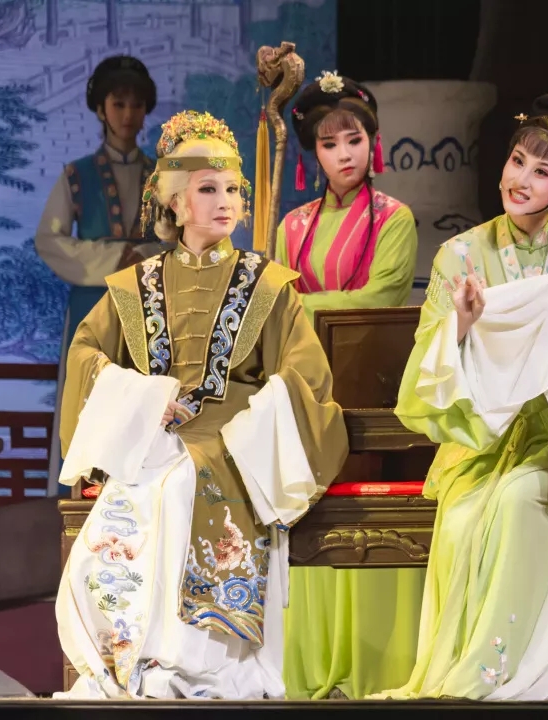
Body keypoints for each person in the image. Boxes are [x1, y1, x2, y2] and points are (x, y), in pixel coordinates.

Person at [53, 110, 348, 699]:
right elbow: (85, 352)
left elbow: (304, 374)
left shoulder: (267, 285)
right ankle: (131, 658)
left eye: (233, 190)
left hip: (234, 438)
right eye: (208, 189)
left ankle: (196, 664)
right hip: (155, 434)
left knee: (180, 486)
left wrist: (259, 421)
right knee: (131, 499)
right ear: (175, 203)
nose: (226, 202)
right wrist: (143, 399)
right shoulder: (137, 284)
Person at [374, 94, 548, 701]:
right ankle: (456, 674)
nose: (521, 180)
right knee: (463, 519)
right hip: (480, 438)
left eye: (542, 172)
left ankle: (501, 677)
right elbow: (425, 363)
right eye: (518, 160)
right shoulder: (461, 254)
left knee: (521, 501)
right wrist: (462, 325)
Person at [277, 70, 421, 700]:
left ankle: (372, 664)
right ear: (314, 153)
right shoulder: (292, 225)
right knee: (309, 511)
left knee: (366, 512)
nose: (343, 154)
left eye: (354, 140)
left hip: (368, 378)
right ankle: (309, 662)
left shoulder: (395, 218)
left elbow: (380, 299)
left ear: (373, 142)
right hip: (307, 384)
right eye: (329, 143)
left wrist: (301, 303)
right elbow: (276, 308)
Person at [36, 55, 164, 495]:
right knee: (87, 395)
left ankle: (145, 493)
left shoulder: (162, 177)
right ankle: (79, 499)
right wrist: (113, 261)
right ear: (100, 109)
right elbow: (49, 240)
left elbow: (180, 240)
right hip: (91, 305)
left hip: (148, 304)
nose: (128, 114)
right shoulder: (77, 175)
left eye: (136, 105)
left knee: (146, 399)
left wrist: (142, 257)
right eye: (118, 104)